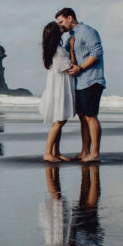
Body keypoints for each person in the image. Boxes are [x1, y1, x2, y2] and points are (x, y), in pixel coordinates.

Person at [55, 8, 105, 163]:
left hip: (92, 80)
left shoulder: (87, 31)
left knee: (91, 116)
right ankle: (85, 151)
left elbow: (97, 53)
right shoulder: (69, 36)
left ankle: (95, 153)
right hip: (78, 83)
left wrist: (81, 68)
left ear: (70, 18)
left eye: (61, 22)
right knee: (83, 118)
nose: (60, 26)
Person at [38, 21, 75, 162]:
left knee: (58, 120)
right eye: (59, 27)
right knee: (59, 121)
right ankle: (48, 152)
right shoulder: (58, 50)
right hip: (60, 87)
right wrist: (72, 49)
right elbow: (69, 67)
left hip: (57, 86)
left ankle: (56, 152)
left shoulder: (53, 48)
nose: (62, 27)